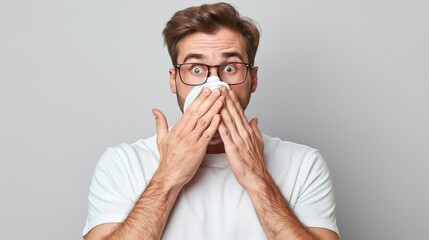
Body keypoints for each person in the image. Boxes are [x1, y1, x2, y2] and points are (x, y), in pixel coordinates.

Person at [83, 2, 339, 240]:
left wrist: (257, 179)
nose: (215, 87)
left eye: (230, 68)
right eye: (196, 69)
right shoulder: (123, 163)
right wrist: (168, 176)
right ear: (174, 81)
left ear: (253, 79)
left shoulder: (304, 164)